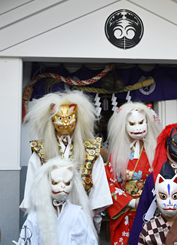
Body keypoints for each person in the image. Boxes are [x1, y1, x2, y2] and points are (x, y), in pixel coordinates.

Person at [20, 90, 112, 231]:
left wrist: (91, 214)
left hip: (82, 216)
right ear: (51, 120)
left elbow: (99, 189)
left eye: (69, 118)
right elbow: (32, 188)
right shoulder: (40, 151)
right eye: (60, 118)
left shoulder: (92, 151)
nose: (65, 123)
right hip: (49, 218)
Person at [105, 102, 161, 245]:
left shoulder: (155, 153)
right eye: (132, 123)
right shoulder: (116, 155)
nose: (138, 127)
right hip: (125, 212)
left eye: (141, 122)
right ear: (124, 125)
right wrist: (131, 202)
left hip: (150, 210)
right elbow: (109, 183)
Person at [15, 158, 98, 245]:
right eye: (55, 183)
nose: (62, 187)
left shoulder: (78, 214)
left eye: (67, 183)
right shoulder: (34, 217)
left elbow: (88, 241)